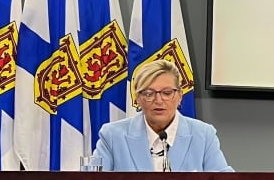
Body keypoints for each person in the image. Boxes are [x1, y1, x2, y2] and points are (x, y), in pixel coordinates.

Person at [93, 59, 233, 172]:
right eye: (149, 93)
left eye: (167, 93)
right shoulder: (112, 136)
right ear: (137, 99)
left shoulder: (203, 135)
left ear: (179, 96)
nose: (158, 100)